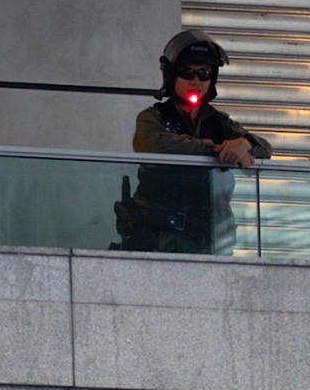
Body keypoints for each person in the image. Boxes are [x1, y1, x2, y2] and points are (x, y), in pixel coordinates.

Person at [114, 30, 271, 253]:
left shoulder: (219, 122)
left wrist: (244, 143)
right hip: (157, 239)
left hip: (209, 239)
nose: (195, 81)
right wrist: (217, 149)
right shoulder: (152, 117)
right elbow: (155, 146)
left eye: (204, 73)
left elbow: (265, 148)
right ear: (171, 75)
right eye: (187, 73)